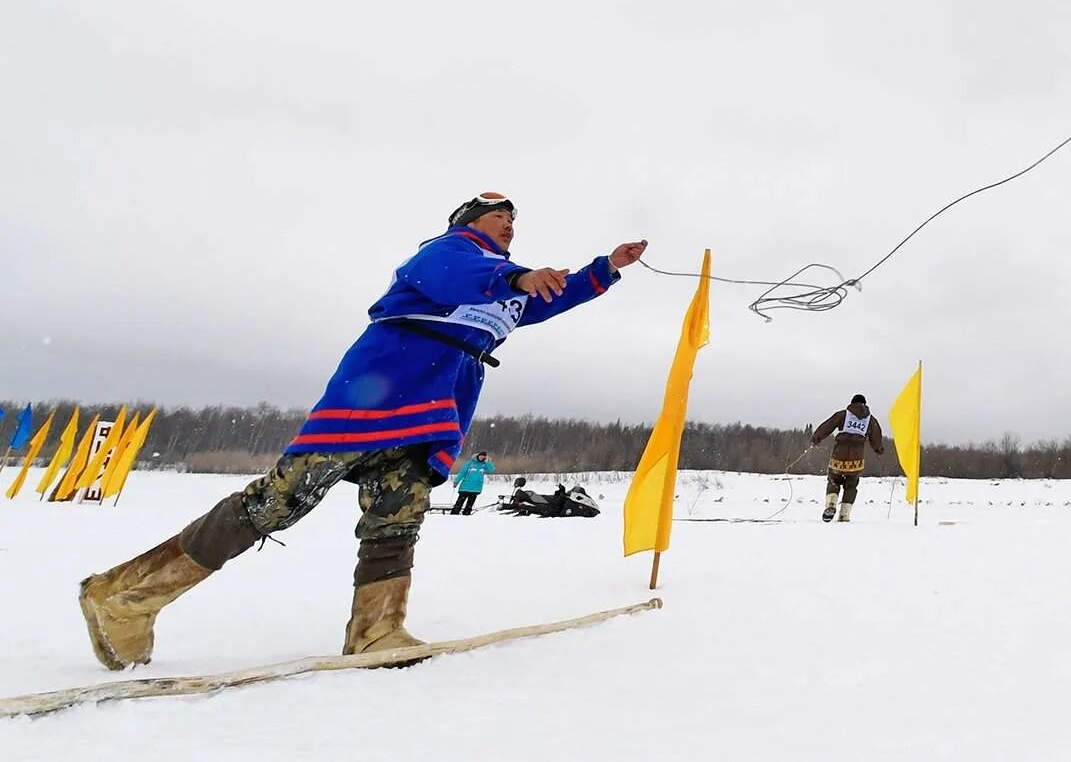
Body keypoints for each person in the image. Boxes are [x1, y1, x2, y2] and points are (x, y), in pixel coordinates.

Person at [78, 193, 648, 668]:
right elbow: (456, 276)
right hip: (378, 393)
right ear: (468, 222)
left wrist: (606, 268)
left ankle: (375, 632)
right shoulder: (447, 253)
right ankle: (129, 597)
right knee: (274, 504)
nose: (509, 224)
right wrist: (517, 273)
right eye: (498, 215)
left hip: (435, 410)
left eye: (515, 221)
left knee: (398, 516)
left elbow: (547, 297)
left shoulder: (502, 283)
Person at [810, 393, 887, 523]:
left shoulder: (843, 414)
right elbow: (876, 437)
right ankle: (844, 515)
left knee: (834, 479)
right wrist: (878, 450)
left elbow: (828, 425)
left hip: (840, 453)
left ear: (852, 403)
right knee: (851, 485)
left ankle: (831, 504)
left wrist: (817, 437)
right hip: (857, 457)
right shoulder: (870, 420)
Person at [450, 450, 496, 516]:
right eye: (481, 456)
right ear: (478, 456)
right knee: (460, 502)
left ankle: (467, 514)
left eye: (484, 457)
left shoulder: (485, 465)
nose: (482, 458)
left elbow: (491, 470)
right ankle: (454, 513)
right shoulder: (470, 463)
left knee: (470, 503)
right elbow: (462, 473)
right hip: (465, 487)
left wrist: (488, 462)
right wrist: (456, 481)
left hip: (476, 488)